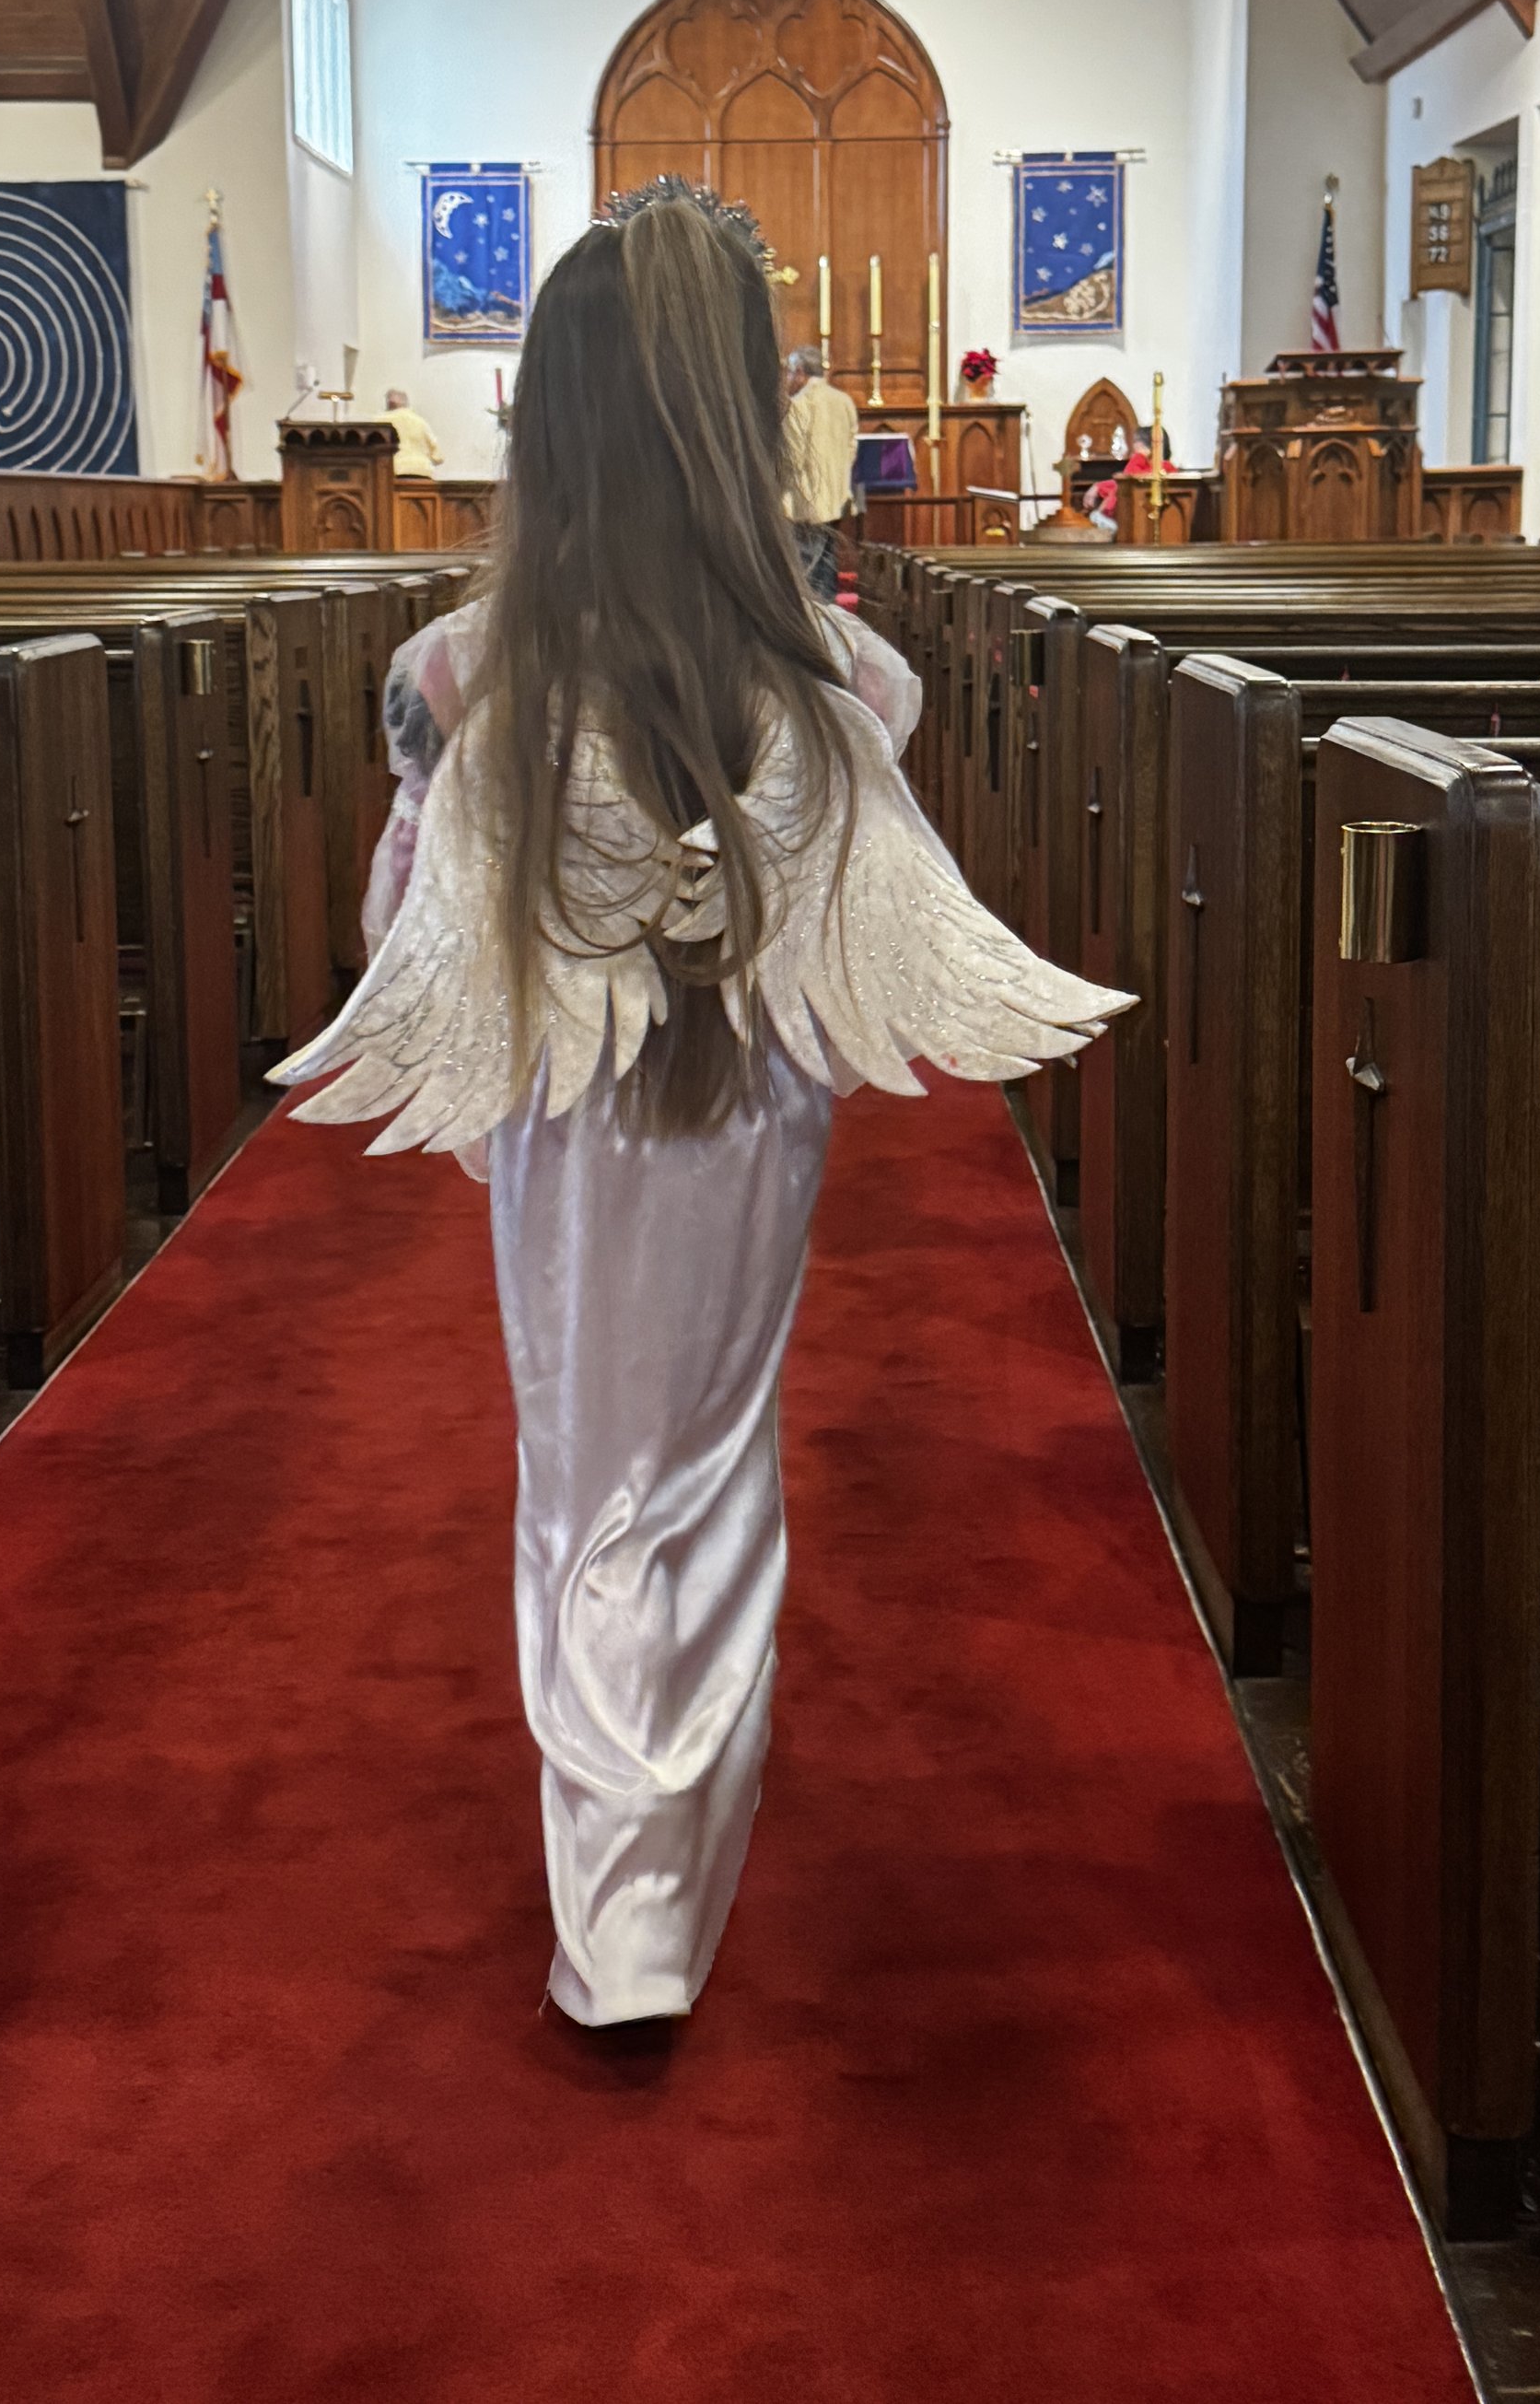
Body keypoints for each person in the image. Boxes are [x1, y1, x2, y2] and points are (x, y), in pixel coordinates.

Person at [273, 181, 1127, 2032]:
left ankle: (616, 1895)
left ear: (550, 426)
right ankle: (661, 1872)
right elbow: (857, 941)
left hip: (555, 1124)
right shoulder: (855, 683)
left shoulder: (451, 674)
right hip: (750, 1117)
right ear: (750, 424)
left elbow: (387, 935)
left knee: (577, 1455)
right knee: (711, 1445)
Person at [782, 343, 858, 601]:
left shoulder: (800, 405)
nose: (788, 379)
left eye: (790, 373)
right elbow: (851, 447)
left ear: (800, 371)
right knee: (827, 559)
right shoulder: (844, 401)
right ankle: (831, 615)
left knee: (808, 566)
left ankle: (815, 620)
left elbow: (793, 457)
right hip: (836, 496)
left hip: (806, 497)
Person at [381, 385, 444, 480]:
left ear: (389, 404)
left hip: (393, 473)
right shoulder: (421, 423)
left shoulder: (380, 421)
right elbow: (438, 457)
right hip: (422, 474)